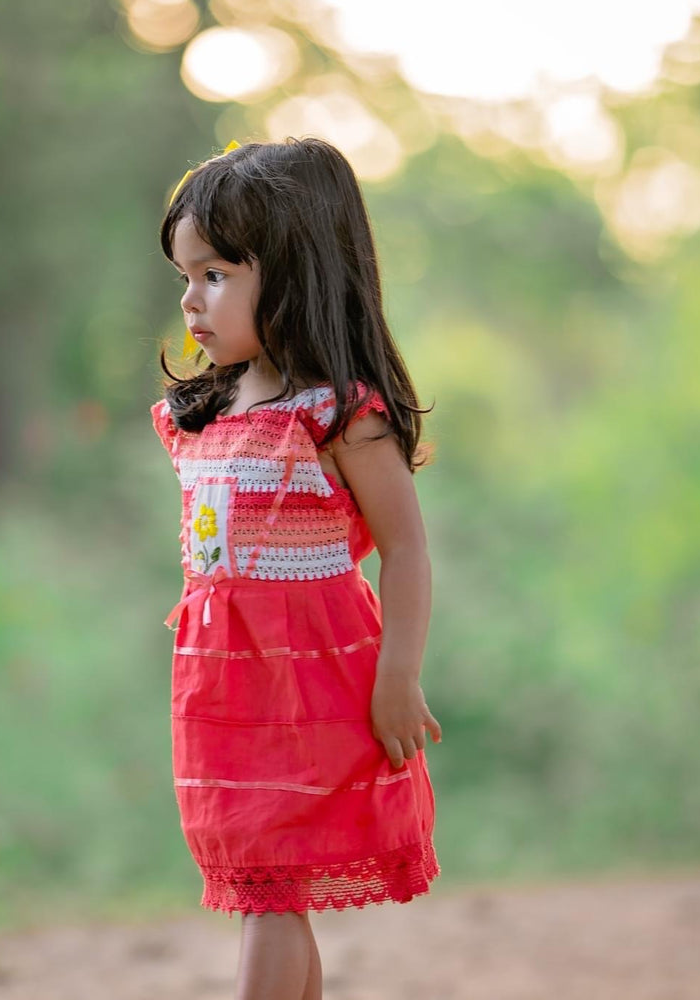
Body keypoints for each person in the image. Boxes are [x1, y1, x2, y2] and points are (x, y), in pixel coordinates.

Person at [149, 136, 443, 1000]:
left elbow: (407, 548)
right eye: (185, 277)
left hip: (314, 684)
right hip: (223, 693)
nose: (192, 301)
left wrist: (399, 675)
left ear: (293, 270)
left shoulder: (339, 413)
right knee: (268, 887)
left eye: (215, 275)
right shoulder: (201, 414)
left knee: (273, 895)